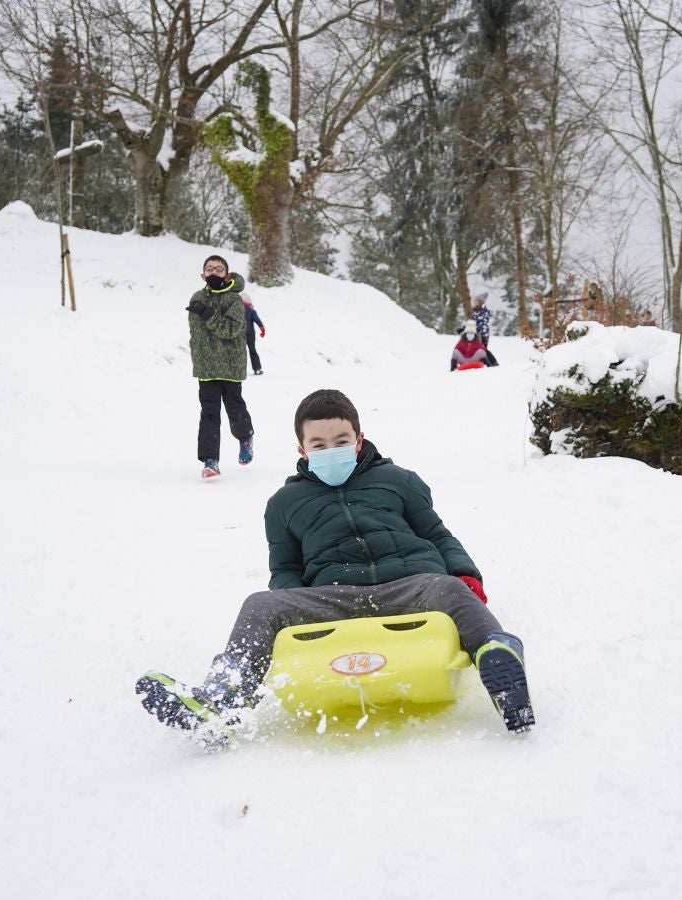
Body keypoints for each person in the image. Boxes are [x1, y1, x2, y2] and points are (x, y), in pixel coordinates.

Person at [136, 388, 534, 739]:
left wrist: (466, 574)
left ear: (359, 440)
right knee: (259, 603)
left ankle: (498, 659)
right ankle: (223, 698)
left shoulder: (399, 480)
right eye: (320, 444)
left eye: (341, 441)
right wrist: (296, 607)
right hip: (336, 597)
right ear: (302, 450)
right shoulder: (283, 505)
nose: (331, 450)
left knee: (450, 587)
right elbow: (286, 569)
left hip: (411, 584)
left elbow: (438, 535)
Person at [187, 254, 254, 478]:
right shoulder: (197, 297)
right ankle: (210, 460)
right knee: (209, 414)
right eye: (209, 269)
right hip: (207, 369)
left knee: (235, 409)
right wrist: (199, 360)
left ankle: (245, 437)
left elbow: (231, 330)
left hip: (230, 366)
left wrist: (209, 314)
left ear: (226, 274)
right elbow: (197, 336)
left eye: (218, 269)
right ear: (202, 274)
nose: (213, 272)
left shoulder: (233, 300)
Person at [243, 296, 266, 375]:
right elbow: (257, 320)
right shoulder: (251, 311)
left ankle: (240, 370)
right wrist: (262, 328)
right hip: (250, 335)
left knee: (241, 352)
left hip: (240, 335)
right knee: (252, 351)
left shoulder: (237, 310)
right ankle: (257, 369)